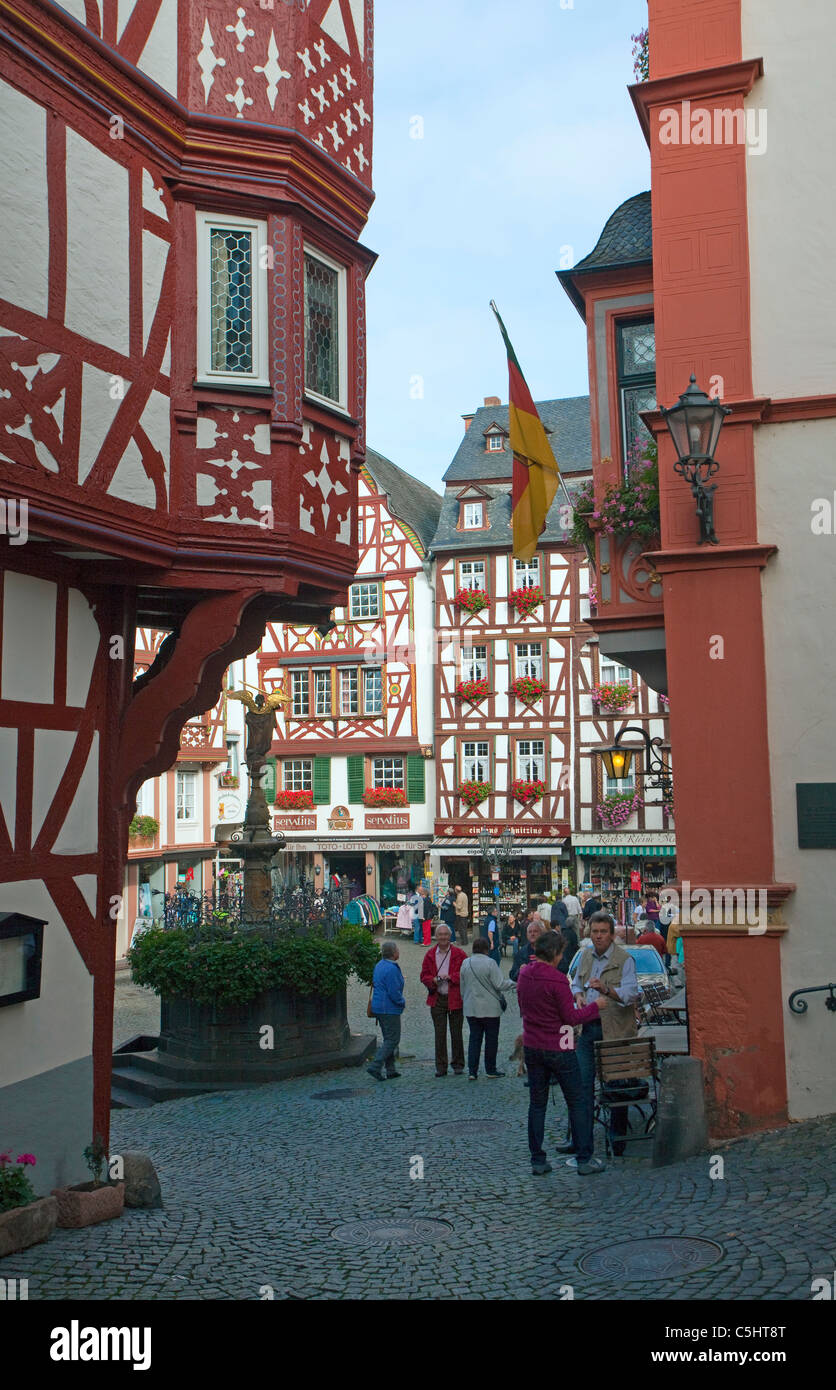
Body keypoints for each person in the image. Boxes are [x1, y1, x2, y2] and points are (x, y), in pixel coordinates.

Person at [516, 931, 609, 1176]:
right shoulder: (557, 980)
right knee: (577, 1101)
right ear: (556, 954)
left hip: (533, 1046)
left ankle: (537, 1160)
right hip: (559, 1047)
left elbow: (523, 1007)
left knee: (537, 1105)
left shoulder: (525, 974)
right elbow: (569, 1018)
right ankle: (584, 1159)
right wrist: (594, 1007)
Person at [569, 912, 639, 1159]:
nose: (598, 936)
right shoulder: (586, 955)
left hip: (615, 1030)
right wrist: (578, 995)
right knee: (582, 1085)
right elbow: (576, 982)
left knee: (616, 1084)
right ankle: (581, 1139)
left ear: (611, 935)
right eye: (594, 932)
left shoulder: (624, 959)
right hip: (588, 1028)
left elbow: (631, 994)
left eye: (602, 932)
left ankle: (617, 1138)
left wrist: (607, 989)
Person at [459, 938, 516, 1079]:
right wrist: (514, 983)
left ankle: (472, 1071)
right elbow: (499, 984)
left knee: (474, 1039)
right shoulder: (490, 963)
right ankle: (490, 1069)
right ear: (486, 949)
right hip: (490, 1009)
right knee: (491, 1040)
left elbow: (462, 987)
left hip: (471, 1008)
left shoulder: (465, 963)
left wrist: (465, 1000)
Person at [420, 922, 467, 1076]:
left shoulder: (459, 954)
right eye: (440, 935)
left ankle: (458, 1064)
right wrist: (432, 980)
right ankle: (441, 1067)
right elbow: (424, 976)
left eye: (446, 935)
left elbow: (466, 974)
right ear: (436, 936)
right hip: (437, 998)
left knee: (456, 1033)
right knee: (439, 1034)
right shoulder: (430, 954)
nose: (443, 937)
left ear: (450, 936)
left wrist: (452, 977)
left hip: (455, 998)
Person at [366, 940, 405, 1081]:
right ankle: (376, 1065)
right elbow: (394, 991)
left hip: (378, 1007)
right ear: (394, 953)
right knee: (393, 1039)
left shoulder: (379, 965)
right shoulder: (392, 969)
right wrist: (402, 1002)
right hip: (389, 1008)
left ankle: (391, 1069)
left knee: (388, 1038)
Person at [509, 915, 546, 982]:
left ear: (541, 933)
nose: (532, 934)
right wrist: (520, 971)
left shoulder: (549, 950)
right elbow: (512, 975)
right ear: (527, 935)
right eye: (530, 932)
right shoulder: (522, 952)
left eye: (535, 931)